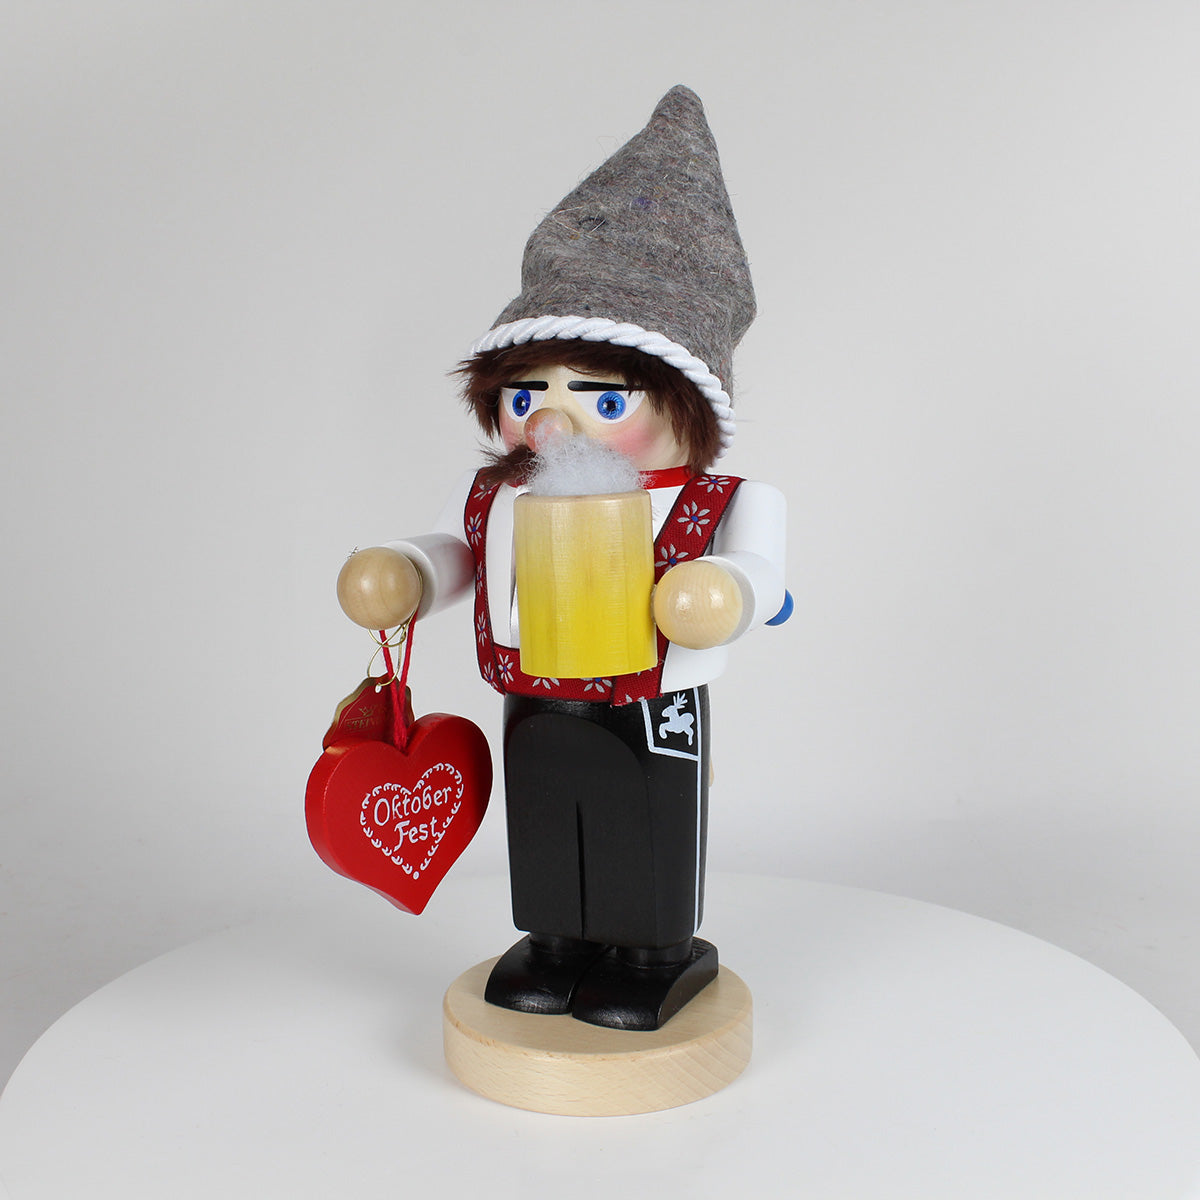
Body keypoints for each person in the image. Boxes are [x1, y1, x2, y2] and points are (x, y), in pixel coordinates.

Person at [336, 86, 786, 1031]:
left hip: (650, 703)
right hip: (535, 694)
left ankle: (653, 950)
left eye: (605, 398)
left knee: (645, 816)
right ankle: (554, 940)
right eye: (526, 393)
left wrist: (720, 589)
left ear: (687, 404)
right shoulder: (506, 499)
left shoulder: (721, 503)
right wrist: (408, 573)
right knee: (543, 809)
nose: (553, 419)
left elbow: (757, 576)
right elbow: (460, 554)